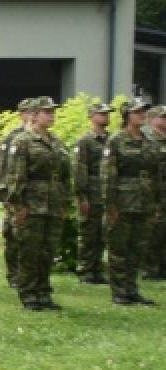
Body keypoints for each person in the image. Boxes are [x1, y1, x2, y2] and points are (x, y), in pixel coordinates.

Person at [2, 96, 72, 310]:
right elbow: (16, 176)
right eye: (46, 112)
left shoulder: (56, 142)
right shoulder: (22, 141)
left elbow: (65, 176)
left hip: (52, 203)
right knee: (30, 251)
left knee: (47, 250)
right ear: (33, 115)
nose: (51, 116)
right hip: (31, 204)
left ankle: (43, 292)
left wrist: (65, 202)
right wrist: (18, 206)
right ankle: (29, 294)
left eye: (52, 112)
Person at [100, 97, 158, 305]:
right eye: (137, 112)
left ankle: (132, 289)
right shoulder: (116, 140)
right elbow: (108, 174)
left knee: (138, 247)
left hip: (145, 201)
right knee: (119, 248)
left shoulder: (150, 140)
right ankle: (119, 291)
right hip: (123, 201)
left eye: (144, 112)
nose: (142, 115)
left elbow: (157, 174)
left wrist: (157, 202)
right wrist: (110, 204)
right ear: (127, 116)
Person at [0, 98, 35, 286]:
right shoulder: (12, 138)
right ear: (21, 114)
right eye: (28, 112)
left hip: (34, 196)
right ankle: (13, 274)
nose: (30, 116)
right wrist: (4, 195)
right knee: (13, 235)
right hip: (13, 195)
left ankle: (28, 274)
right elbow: (1, 168)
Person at [72, 101, 112, 283]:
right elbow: (80, 168)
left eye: (107, 114)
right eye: (102, 114)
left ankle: (97, 269)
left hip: (106, 192)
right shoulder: (85, 141)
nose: (106, 117)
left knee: (102, 233)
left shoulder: (111, 140)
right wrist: (82, 196)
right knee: (89, 232)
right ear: (92, 117)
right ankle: (86, 270)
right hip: (91, 191)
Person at [145, 105, 166, 280]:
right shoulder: (149, 140)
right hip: (155, 190)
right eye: (163, 117)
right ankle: (151, 269)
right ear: (152, 119)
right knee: (154, 231)